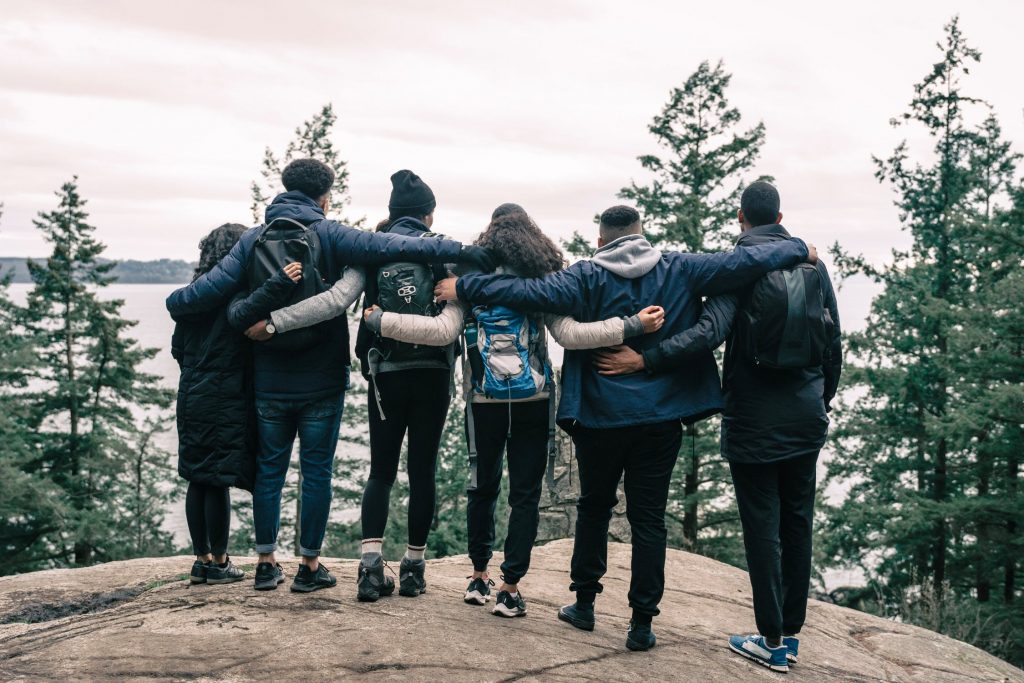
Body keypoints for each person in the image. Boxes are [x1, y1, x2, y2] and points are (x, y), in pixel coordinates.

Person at [436, 204, 816, 652]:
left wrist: (465, 284)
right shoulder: (681, 267)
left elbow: (527, 291)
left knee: (594, 508)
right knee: (649, 520)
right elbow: (742, 262)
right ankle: (641, 623)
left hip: (600, 417)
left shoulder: (584, 276)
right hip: (661, 418)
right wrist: (796, 248)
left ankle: (585, 605)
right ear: (642, 235)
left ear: (600, 241)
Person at [166, 159, 495, 594]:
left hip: (269, 377)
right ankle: (308, 567)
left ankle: (265, 564)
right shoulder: (330, 233)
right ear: (325, 197)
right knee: (317, 471)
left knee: (270, 470)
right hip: (322, 377)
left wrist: (207, 306)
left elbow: (191, 299)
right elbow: (389, 247)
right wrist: (460, 252)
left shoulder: (251, 239)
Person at [362, 203, 664, 618]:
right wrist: (631, 326)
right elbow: (572, 336)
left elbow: (441, 332)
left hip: (483, 400)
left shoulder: (468, 282)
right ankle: (510, 587)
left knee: (481, 489)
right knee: (524, 495)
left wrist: (380, 321)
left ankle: (478, 577)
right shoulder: (542, 283)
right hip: (534, 400)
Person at [594, 182, 842, 673]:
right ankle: (790, 636)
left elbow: (707, 334)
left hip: (754, 421)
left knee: (762, 529)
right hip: (806, 418)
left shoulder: (742, 270)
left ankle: (770, 639)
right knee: (797, 523)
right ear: (780, 216)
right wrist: (821, 398)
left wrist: (645, 360)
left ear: (740, 218)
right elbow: (832, 339)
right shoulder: (813, 265)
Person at [170, 223, 302, 586]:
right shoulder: (237, 294)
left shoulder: (195, 296)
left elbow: (178, 348)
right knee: (217, 478)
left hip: (192, 391)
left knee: (197, 476)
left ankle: (201, 560)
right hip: (225, 394)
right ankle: (220, 560)